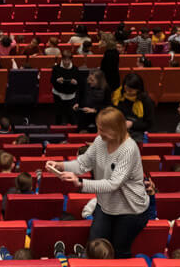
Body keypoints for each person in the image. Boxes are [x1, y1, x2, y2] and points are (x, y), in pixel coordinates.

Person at [51, 108, 152, 256]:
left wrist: (81, 183)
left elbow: (113, 184)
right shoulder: (100, 140)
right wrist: (61, 166)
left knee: (119, 252)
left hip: (130, 209)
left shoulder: (129, 149)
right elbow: (83, 163)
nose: (98, 133)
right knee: (94, 247)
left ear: (116, 130)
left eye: (103, 130)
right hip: (106, 204)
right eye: (98, 128)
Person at [50, 52, 82, 124]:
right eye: (65, 60)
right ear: (62, 59)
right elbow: (52, 80)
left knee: (71, 115)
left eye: (68, 60)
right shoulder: (56, 68)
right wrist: (57, 80)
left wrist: (76, 82)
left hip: (70, 96)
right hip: (58, 94)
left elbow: (79, 83)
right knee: (58, 114)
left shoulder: (75, 69)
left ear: (71, 59)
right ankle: (58, 128)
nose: (66, 62)